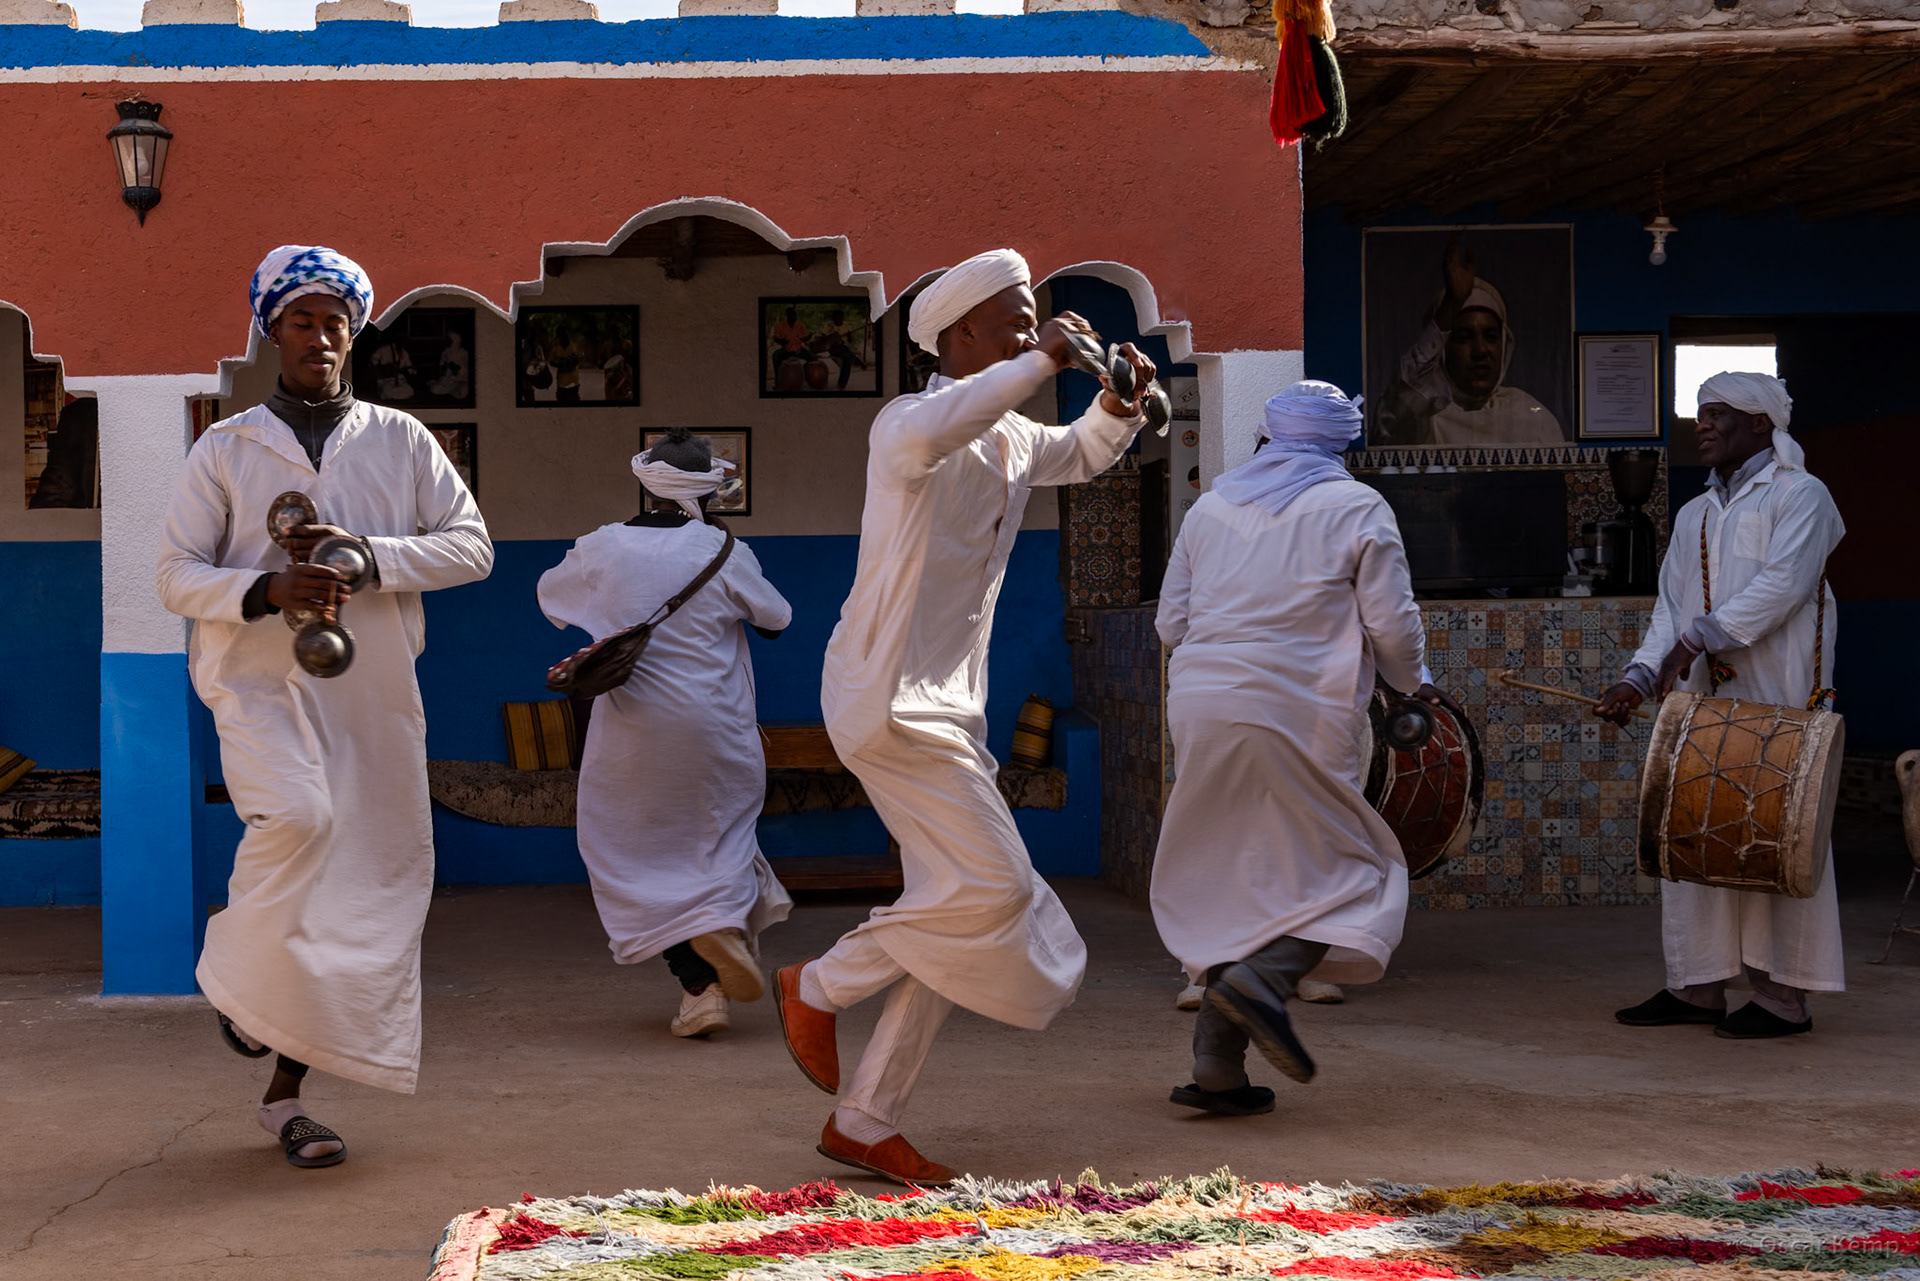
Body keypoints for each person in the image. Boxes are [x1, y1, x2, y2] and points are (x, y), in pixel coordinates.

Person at [773, 248, 1155, 1184]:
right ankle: (815, 985)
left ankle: (865, 1118)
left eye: (1036, 316)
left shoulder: (1014, 436)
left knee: (961, 916)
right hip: (887, 699)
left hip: (947, 713)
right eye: (1018, 317)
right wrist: (1046, 364)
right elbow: (953, 418)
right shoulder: (905, 423)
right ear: (960, 336)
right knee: (995, 894)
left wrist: (1120, 402)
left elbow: (1081, 452)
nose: (1035, 328)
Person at [155, 245, 493, 1168]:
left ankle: (288, 1096)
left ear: (356, 334)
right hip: (257, 682)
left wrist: (364, 559)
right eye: (302, 320)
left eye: (336, 321)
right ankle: (236, 975)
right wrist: (268, 591)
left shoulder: (400, 439)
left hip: (373, 689)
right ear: (273, 330)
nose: (322, 337)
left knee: (365, 885)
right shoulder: (224, 448)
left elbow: (472, 548)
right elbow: (176, 576)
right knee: (301, 819)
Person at [1150, 381, 1445, 1116]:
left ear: (1267, 439)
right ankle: (1269, 974)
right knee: (1353, 870)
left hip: (1202, 702)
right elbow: (1393, 622)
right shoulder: (1355, 505)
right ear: (1339, 445)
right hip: (1300, 708)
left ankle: (1217, 1064)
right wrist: (1417, 686)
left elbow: (1170, 622)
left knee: (1232, 870)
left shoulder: (1212, 507)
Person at [1596, 371, 1845, 1039]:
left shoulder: (1802, 497)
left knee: (1777, 837)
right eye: (1699, 414)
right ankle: (1697, 987)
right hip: (1705, 703)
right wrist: (1640, 675)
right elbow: (1671, 607)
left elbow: (1783, 588)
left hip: (1781, 701)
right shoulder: (1695, 513)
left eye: (1717, 414)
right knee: (1693, 832)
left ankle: (1783, 998)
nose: (1702, 425)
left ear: (1762, 424)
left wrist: (1695, 640)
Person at [535, 430, 794, 1039]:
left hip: (632, 736)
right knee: (720, 837)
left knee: (632, 854)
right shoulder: (726, 551)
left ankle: (701, 986)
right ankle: (720, 929)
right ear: (709, 489)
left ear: (645, 482)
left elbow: (552, 600)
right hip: (717, 731)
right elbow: (777, 620)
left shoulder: (599, 547)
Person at [1377, 235, 1563, 448]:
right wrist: (1450, 307)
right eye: (1464, 337)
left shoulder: (1530, 418)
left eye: (1491, 337)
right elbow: (1396, 413)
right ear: (1444, 347)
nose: (1481, 350)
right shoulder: (1424, 414)